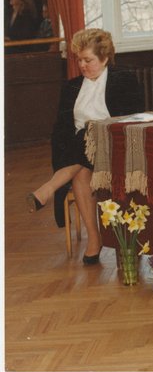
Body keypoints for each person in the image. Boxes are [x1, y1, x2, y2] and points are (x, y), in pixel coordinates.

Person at [26, 28, 144, 264]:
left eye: (87, 60)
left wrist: (97, 132)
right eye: (79, 60)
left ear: (105, 58)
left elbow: (132, 120)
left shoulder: (124, 79)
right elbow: (61, 129)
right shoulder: (71, 86)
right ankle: (94, 238)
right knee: (81, 170)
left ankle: (49, 188)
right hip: (79, 153)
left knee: (89, 134)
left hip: (115, 148)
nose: (82, 65)